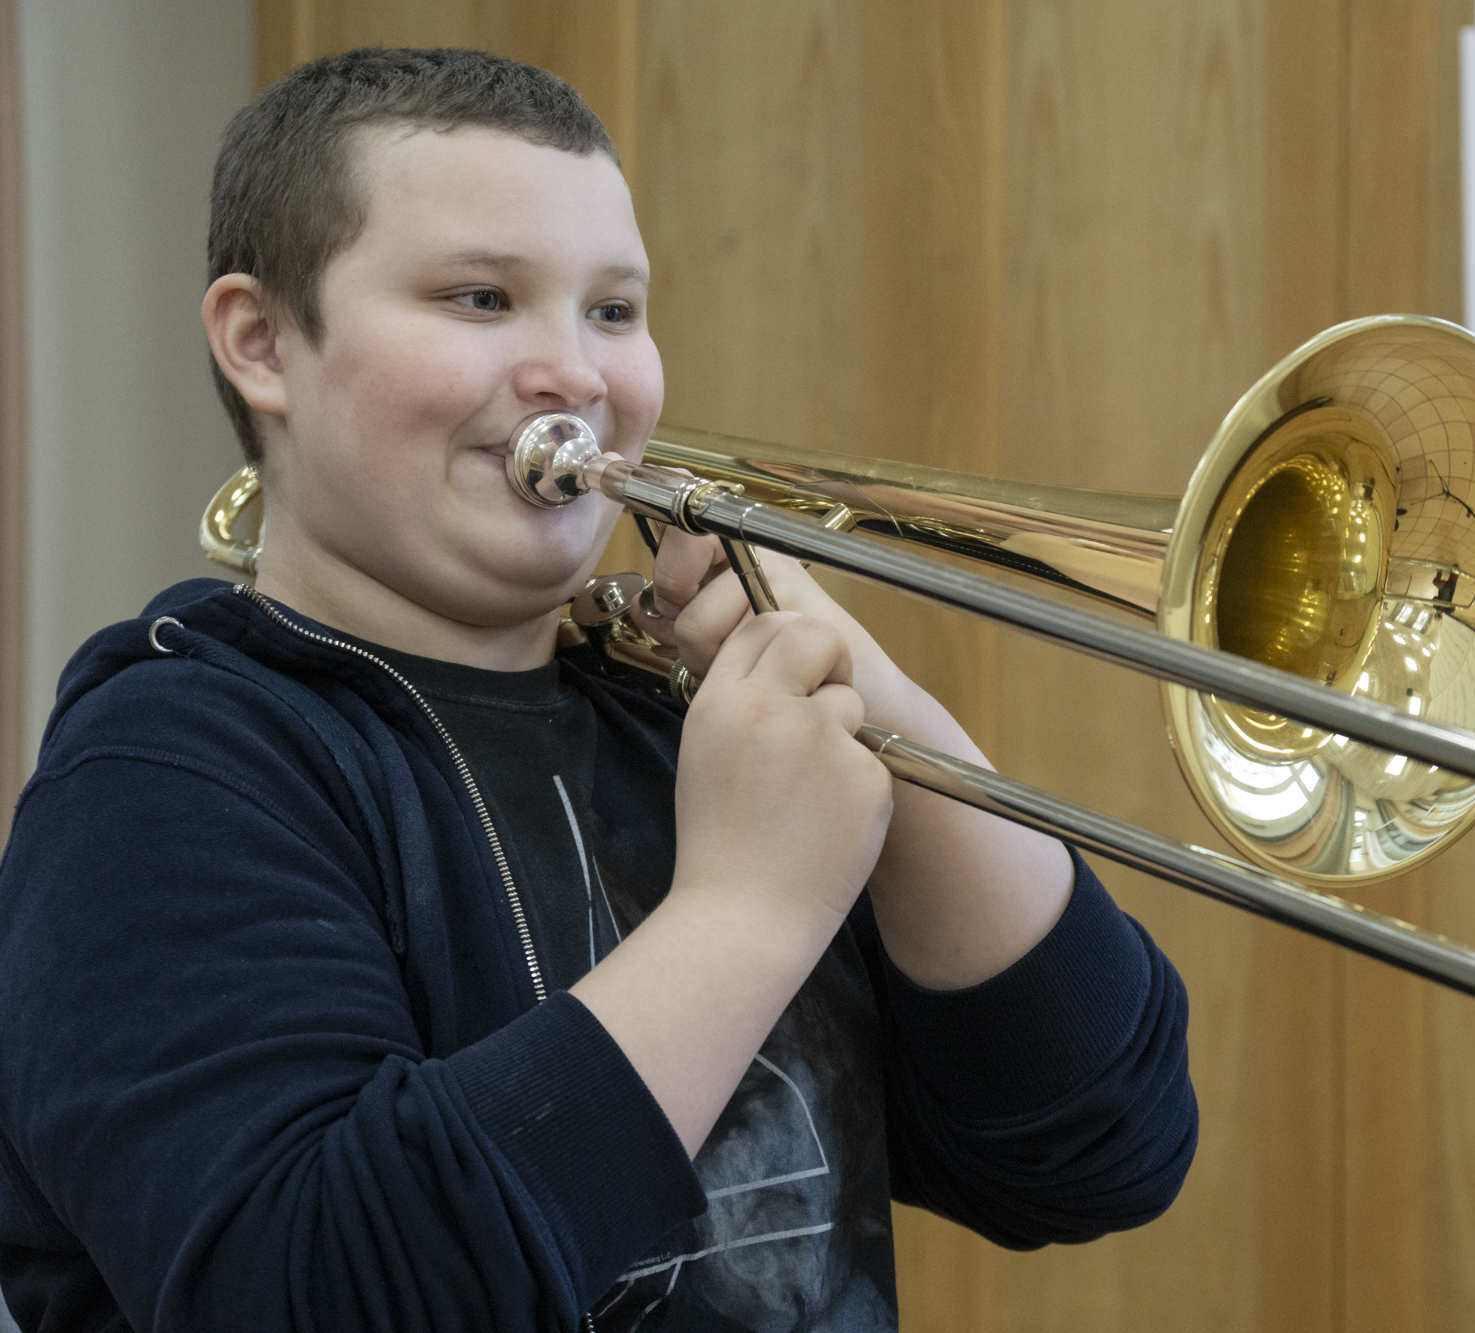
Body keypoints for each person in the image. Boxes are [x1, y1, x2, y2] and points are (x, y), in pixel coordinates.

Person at [0, 48, 1195, 1332]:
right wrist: (745, 908)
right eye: (479, 297)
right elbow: (317, 1289)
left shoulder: (692, 731)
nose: (575, 373)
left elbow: (1097, 1147)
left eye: (614, 311)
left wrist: (872, 694)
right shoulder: (170, 767)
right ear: (262, 343)